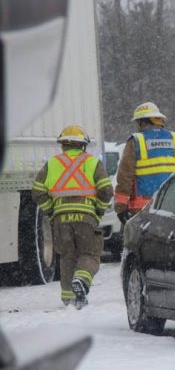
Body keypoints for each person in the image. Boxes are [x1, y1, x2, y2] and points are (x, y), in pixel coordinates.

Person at [32, 125, 113, 309]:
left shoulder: (52, 163)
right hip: (86, 218)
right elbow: (107, 190)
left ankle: (69, 299)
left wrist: (51, 211)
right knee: (90, 253)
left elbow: (37, 191)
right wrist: (99, 210)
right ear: (82, 145)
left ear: (63, 145)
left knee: (67, 256)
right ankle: (81, 280)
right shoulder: (93, 163)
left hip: (61, 220)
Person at [114, 102, 175, 223]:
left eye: (138, 123)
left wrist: (120, 208)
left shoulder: (136, 141)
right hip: (172, 208)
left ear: (143, 122)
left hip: (142, 212)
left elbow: (125, 177)